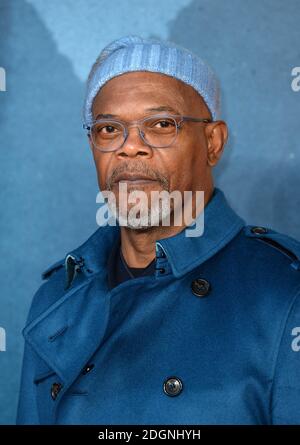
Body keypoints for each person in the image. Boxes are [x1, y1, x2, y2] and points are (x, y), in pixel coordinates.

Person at [17, 35, 300, 425]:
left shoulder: (285, 294)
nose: (131, 147)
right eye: (109, 129)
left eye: (162, 124)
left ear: (212, 143)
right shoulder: (57, 298)